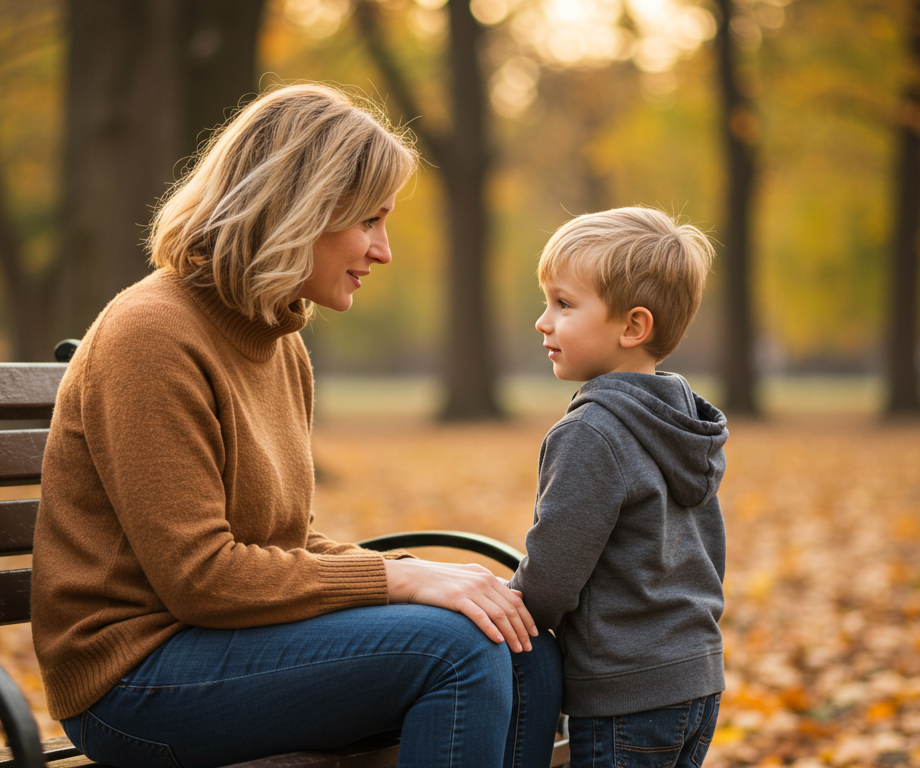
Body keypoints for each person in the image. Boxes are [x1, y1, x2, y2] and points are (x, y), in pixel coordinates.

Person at [31, 83, 561, 768]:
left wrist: (414, 572)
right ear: (299, 211)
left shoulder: (278, 341)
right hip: (133, 680)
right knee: (457, 650)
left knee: (523, 643)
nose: (384, 250)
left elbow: (285, 542)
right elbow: (200, 576)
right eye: (369, 220)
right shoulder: (151, 335)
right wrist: (402, 581)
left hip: (227, 645)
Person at [508, 207, 727, 768]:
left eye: (563, 304)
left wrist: (512, 609)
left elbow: (554, 569)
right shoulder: (681, 421)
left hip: (625, 690)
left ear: (633, 327)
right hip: (695, 673)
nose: (543, 321)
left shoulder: (592, 432)